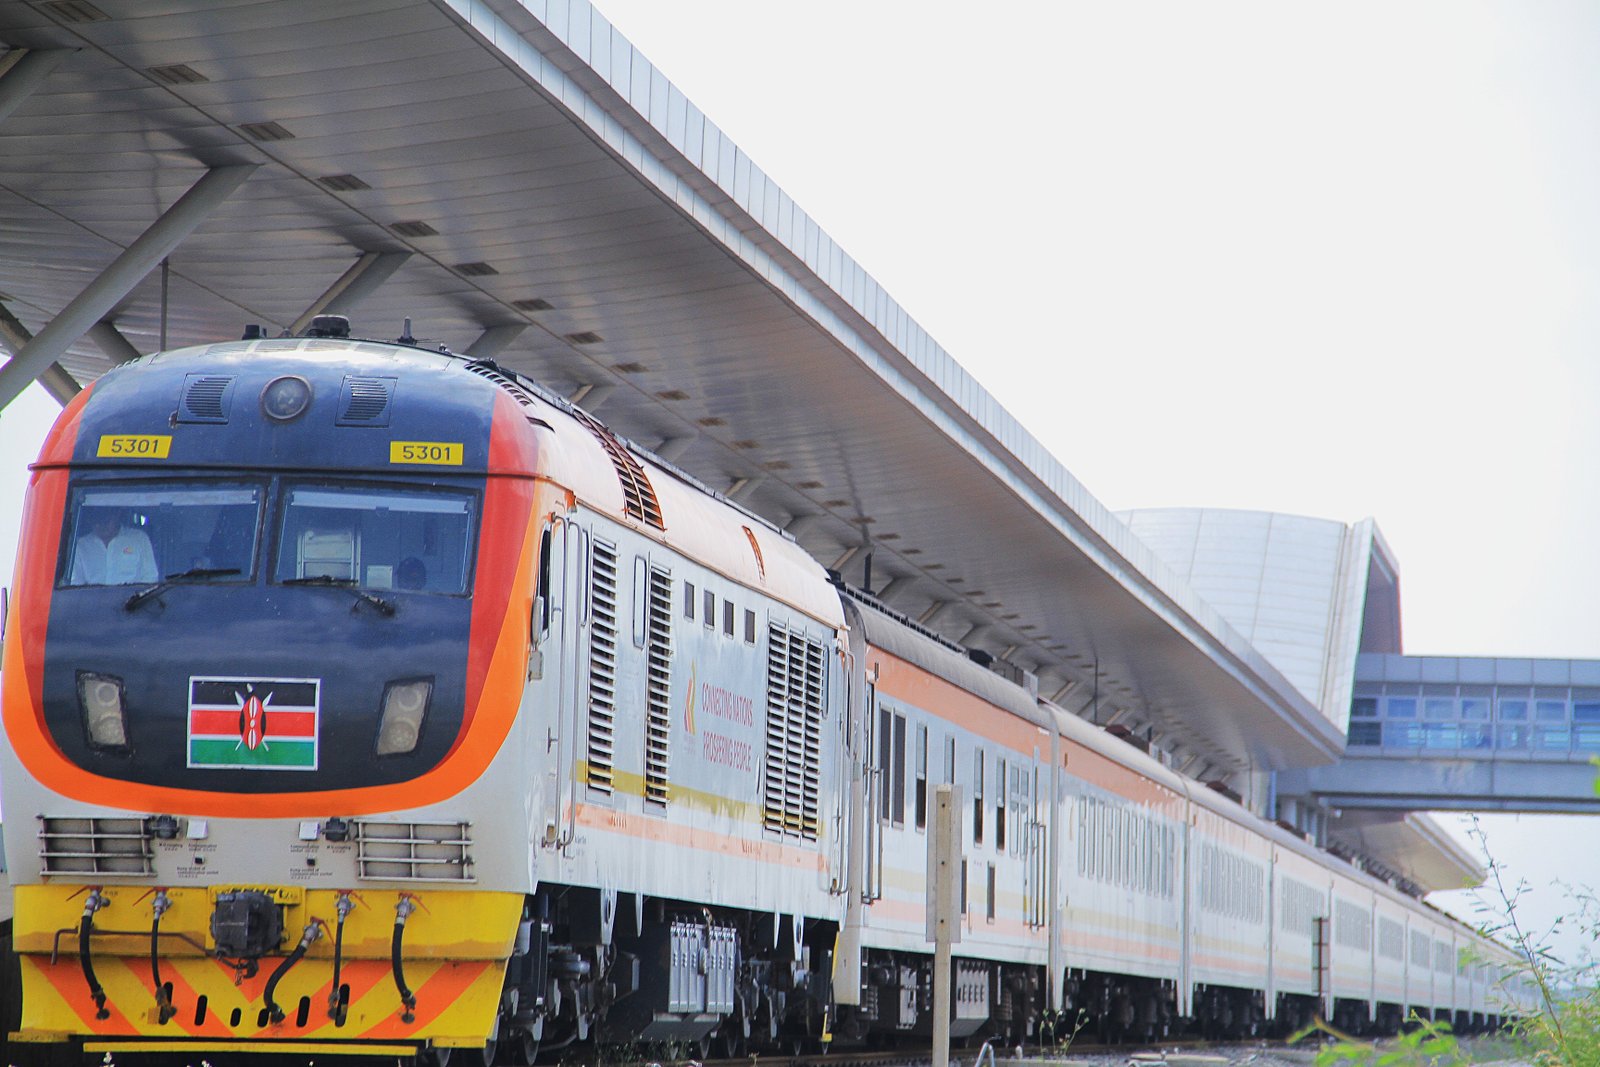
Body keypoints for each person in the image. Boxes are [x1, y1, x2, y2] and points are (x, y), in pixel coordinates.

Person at [71, 508, 159, 585]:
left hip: (133, 602)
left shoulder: (139, 539)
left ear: (117, 515)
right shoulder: (80, 545)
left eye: (106, 521)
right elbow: (75, 583)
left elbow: (150, 578)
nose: (102, 526)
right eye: (97, 522)